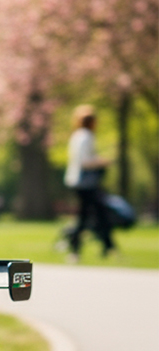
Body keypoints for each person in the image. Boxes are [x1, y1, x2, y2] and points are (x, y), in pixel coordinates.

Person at [63, 105, 113, 259]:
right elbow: (85, 161)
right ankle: (76, 247)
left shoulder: (77, 136)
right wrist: (102, 162)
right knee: (88, 215)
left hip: (78, 181)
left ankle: (107, 247)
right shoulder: (86, 137)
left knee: (95, 213)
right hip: (85, 183)